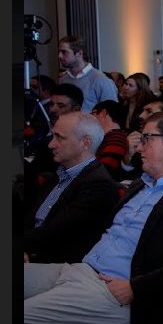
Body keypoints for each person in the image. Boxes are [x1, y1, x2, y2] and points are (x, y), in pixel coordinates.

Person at [24, 111, 163, 324]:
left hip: (117, 294)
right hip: (81, 271)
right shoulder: (140, 185)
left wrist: (134, 288)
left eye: (146, 139)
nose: (138, 148)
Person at [24, 112, 120, 264]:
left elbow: (58, 232)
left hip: (59, 265)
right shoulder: (60, 173)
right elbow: (32, 220)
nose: (51, 144)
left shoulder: (98, 185)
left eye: (59, 137)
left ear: (85, 143)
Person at [57, 35, 118, 112]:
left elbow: (112, 112)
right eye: (59, 52)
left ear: (79, 53)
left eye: (64, 52)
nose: (59, 56)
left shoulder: (101, 80)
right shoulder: (63, 80)